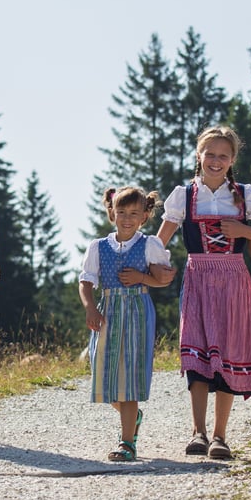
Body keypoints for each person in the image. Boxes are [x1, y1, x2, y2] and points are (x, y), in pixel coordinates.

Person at [157, 125, 251, 460]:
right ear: (199, 156)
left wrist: (245, 232)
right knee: (198, 355)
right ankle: (197, 431)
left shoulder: (245, 195)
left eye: (223, 156)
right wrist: (157, 268)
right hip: (198, 276)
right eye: (210, 154)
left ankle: (219, 435)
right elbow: (160, 243)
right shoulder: (183, 196)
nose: (216, 161)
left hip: (233, 278)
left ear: (232, 160)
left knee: (227, 357)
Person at [79, 186, 175, 461]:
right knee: (104, 374)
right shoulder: (97, 247)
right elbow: (86, 282)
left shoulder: (149, 245)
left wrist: (141, 278)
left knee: (130, 376)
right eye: (121, 212)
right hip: (107, 310)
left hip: (137, 309)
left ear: (144, 216)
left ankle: (127, 442)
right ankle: (132, 418)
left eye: (134, 213)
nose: (127, 218)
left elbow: (163, 278)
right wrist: (89, 309)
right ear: (112, 213)